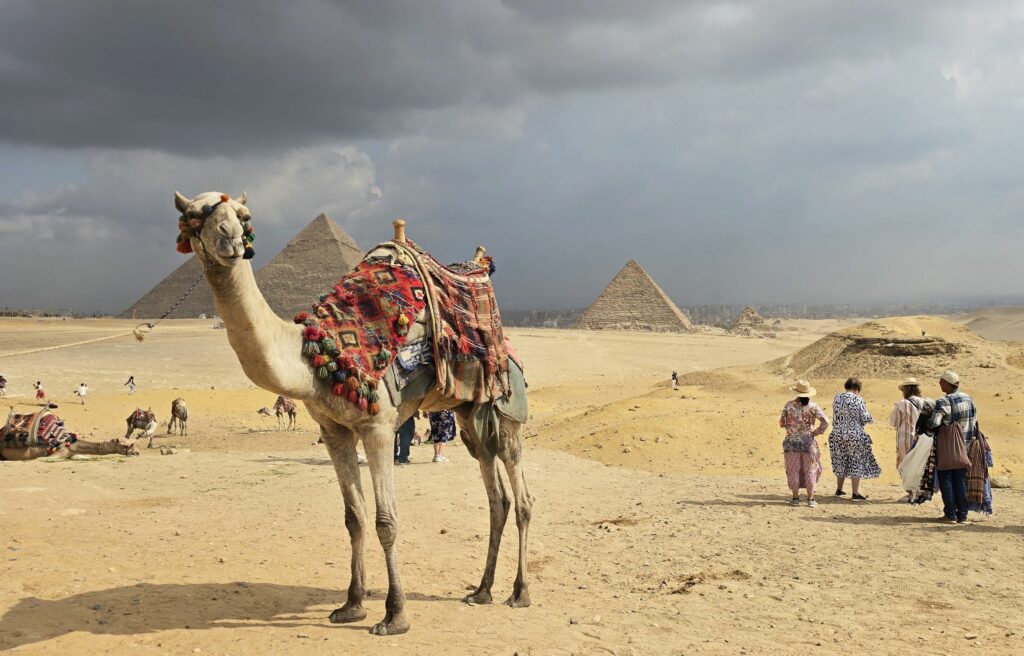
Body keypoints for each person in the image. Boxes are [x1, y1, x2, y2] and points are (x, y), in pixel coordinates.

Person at [929, 370, 977, 524]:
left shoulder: (943, 401)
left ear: (948, 384)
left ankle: (950, 514)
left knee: (946, 479)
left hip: (948, 447)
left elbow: (934, 423)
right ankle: (962, 515)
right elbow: (974, 420)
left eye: (941, 381)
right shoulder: (968, 398)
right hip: (965, 446)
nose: (939, 384)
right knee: (961, 480)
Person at [779, 380, 829, 508]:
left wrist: (792, 427)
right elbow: (826, 421)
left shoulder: (788, 405)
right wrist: (816, 432)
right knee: (810, 470)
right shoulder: (813, 407)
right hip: (808, 442)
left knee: (792, 470)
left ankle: (795, 498)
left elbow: (782, 423)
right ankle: (810, 499)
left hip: (791, 443)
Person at [829, 377, 881, 500]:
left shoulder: (837, 397)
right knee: (855, 461)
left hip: (837, 434)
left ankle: (839, 489)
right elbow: (865, 417)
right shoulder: (858, 399)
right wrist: (869, 417)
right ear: (857, 389)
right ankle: (855, 493)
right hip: (854, 435)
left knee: (840, 460)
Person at [888, 377, 924, 468]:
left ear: (906, 390)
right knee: (918, 465)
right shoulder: (924, 402)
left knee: (906, 465)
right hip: (922, 439)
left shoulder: (903, 403)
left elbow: (893, 422)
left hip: (905, 439)